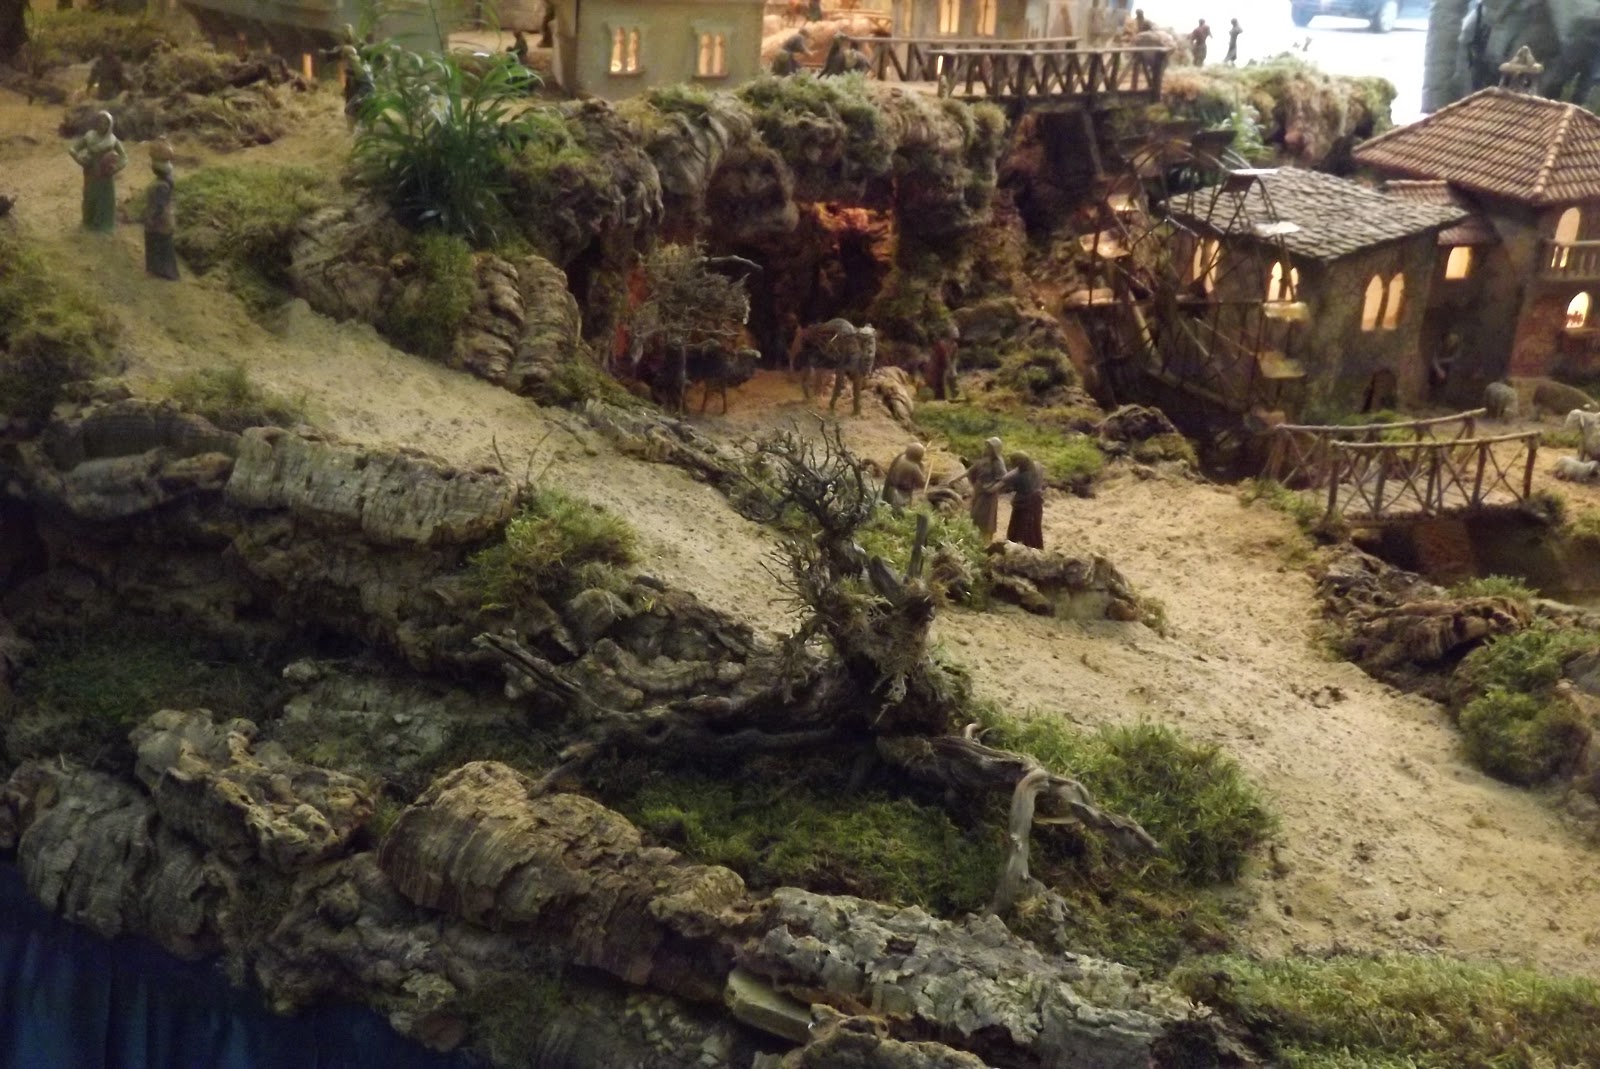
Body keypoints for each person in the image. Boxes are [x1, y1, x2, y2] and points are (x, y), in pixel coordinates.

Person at [68, 111, 127, 233]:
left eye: (105, 123)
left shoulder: (112, 139)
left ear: (110, 125)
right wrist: (79, 159)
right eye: (100, 122)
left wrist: (116, 167)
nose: (102, 125)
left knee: (105, 200)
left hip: (105, 175)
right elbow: (73, 149)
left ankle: (105, 226)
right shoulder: (89, 136)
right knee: (90, 197)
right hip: (91, 172)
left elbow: (124, 157)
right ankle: (88, 223)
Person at [951, 437, 1007, 541]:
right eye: (987, 446)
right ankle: (974, 537)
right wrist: (956, 479)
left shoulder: (998, 463)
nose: (986, 449)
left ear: (995, 449)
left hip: (988, 495)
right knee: (975, 514)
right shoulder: (983, 461)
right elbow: (970, 471)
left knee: (986, 517)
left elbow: (1003, 479)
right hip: (979, 491)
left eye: (989, 447)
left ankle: (985, 539)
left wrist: (993, 488)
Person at [989, 451, 1045, 549]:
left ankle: (1020, 546)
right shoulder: (1037, 466)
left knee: (1020, 528)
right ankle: (1034, 546)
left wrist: (983, 488)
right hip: (1036, 502)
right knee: (1034, 527)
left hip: (1024, 504)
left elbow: (996, 487)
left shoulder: (1018, 475)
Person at [143, 142, 179, 281]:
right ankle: (156, 268)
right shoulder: (163, 183)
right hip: (163, 219)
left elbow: (159, 206)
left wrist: (151, 217)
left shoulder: (161, 186)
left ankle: (164, 270)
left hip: (161, 221)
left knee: (159, 244)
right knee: (157, 243)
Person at [882, 443, 927, 510]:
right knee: (900, 510)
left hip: (890, 488)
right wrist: (923, 469)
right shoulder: (914, 467)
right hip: (902, 494)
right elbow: (922, 483)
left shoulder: (901, 457)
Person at [926, 321, 960, 401]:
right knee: (939, 383)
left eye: (957, 331)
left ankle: (952, 395)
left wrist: (954, 369)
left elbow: (954, 358)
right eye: (954, 332)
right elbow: (945, 358)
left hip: (945, 367)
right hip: (937, 367)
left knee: (951, 379)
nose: (957, 333)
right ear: (949, 333)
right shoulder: (942, 344)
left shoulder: (955, 346)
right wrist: (950, 369)